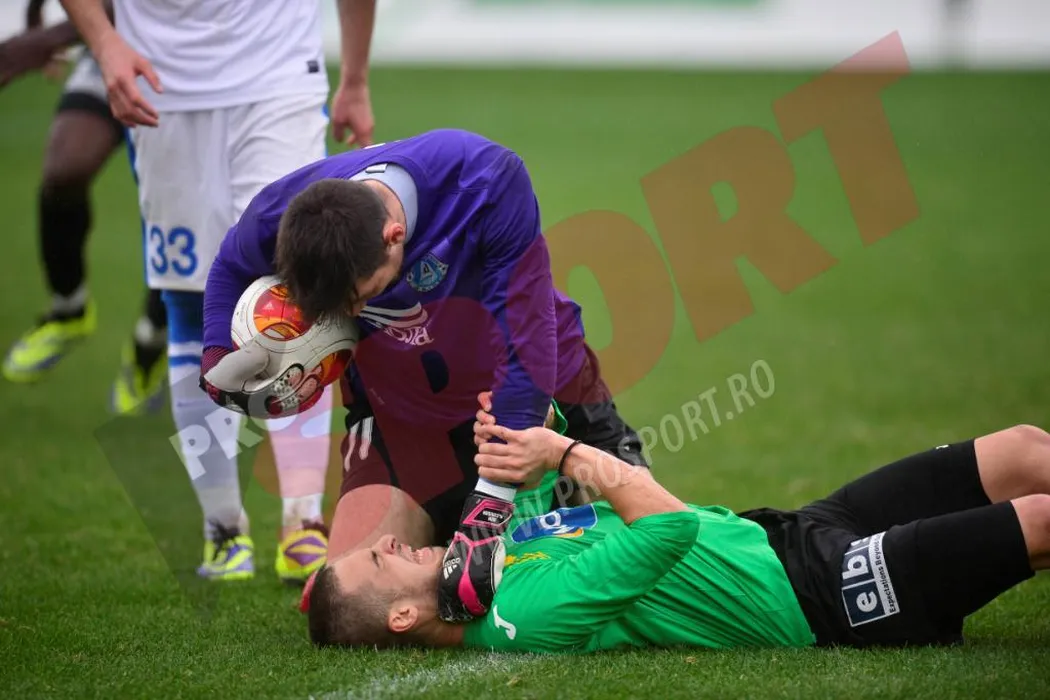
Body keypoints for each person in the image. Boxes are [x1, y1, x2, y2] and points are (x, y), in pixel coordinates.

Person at [196, 128, 649, 621]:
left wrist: (488, 511)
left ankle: (525, 504)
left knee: (643, 562)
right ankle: (449, 522)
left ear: (395, 237)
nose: (353, 314)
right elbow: (229, 265)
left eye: (360, 296)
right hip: (400, 418)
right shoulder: (287, 212)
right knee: (349, 603)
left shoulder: (485, 182)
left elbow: (525, 348)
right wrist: (217, 362)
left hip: (538, 396)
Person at [58, 0, 379, 585]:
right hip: (162, 87)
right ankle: (223, 529)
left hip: (278, 74)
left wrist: (354, 78)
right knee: (190, 300)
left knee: (302, 288)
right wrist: (104, 43)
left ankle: (303, 522)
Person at [308, 404, 1050, 653]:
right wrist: (564, 452)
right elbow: (670, 528)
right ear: (401, 617)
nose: (389, 541)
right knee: (1040, 522)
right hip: (822, 594)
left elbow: (549, 491)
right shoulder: (519, 615)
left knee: (1022, 449)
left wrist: (523, 437)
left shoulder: (486, 563)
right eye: (379, 561)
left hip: (790, 533)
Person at [0, 0, 168, 415]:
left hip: (202, 67)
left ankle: (149, 346)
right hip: (115, 47)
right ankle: (68, 309)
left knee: (179, 214)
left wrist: (47, 39)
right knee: (65, 170)